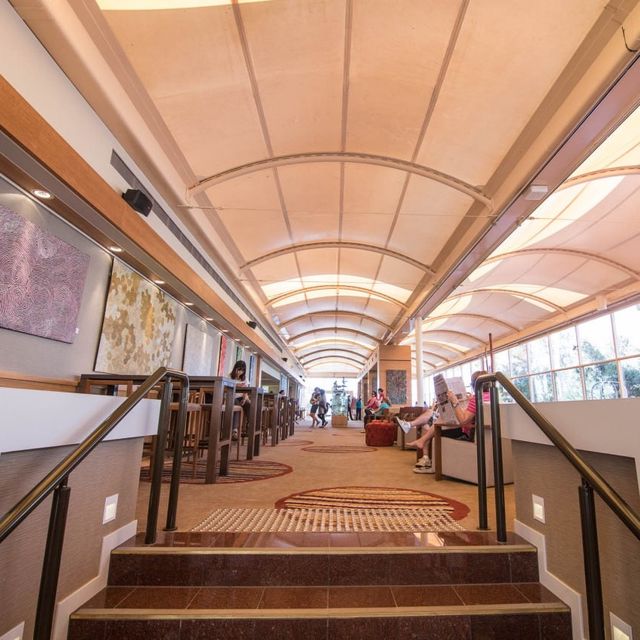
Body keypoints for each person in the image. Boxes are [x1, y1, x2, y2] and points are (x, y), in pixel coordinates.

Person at [396, 371, 488, 474]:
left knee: (434, 430)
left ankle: (432, 464)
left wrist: (454, 401)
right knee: (430, 423)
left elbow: (463, 420)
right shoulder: (491, 397)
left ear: (474, 384)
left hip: (467, 433)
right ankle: (423, 449)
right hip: (481, 433)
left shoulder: (477, 398)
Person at [229, 360, 249, 441]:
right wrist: (236, 384)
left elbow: (246, 391)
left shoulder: (245, 379)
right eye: (239, 369)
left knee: (250, 405)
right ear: (235, 368)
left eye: (243, 370)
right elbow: (226, 387)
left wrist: (244, 399)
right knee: (237, 407)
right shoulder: (229, 377)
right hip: (231, 397)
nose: (241, 372)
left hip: (241, 397)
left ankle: (250, 425)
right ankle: (235, 430)